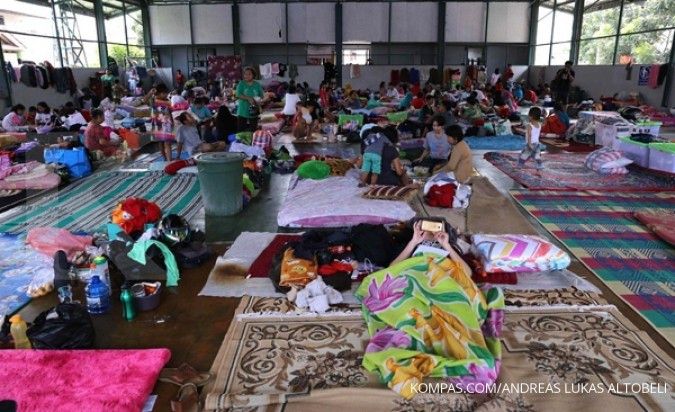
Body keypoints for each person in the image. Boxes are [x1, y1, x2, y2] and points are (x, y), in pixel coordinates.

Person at [391, 220, 469, 269]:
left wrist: (446, 245)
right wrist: (413, 242)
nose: (431, 230)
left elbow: (468, 273)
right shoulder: (411, 247)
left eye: (437, 227)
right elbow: (391, 269)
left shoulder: (449, 249)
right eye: (426, 225)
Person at [235, 67, 264, 131]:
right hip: (242, 111)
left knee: (253, 130)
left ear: (253, 75)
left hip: (254, 111)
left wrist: (260, 105)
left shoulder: (257, 85)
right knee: (241, 130)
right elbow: (238, 94)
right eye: (245, 74)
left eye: (249, 74)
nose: (247, 76)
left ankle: (252, 140)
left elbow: (261, 96)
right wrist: (248, 98)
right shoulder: (241, 84)